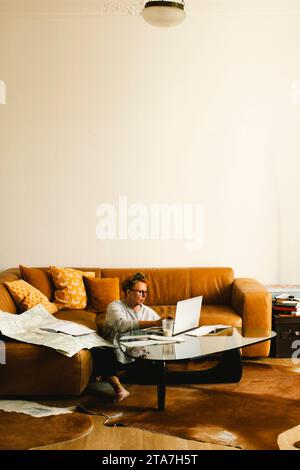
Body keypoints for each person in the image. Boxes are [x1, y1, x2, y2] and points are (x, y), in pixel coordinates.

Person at [93, 272, 163, 402]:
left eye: (145, 292)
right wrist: (155, 323)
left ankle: (110, 375)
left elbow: (160, 328)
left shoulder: (148, 311)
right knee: (99, 351)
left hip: (135, 356)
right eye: (140, 292)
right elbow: (122, 325)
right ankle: (119, 389)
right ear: (128, 291)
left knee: (157, 373)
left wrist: (168, 327)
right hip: (115, 352)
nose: (144, 296)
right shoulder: (115, 306)